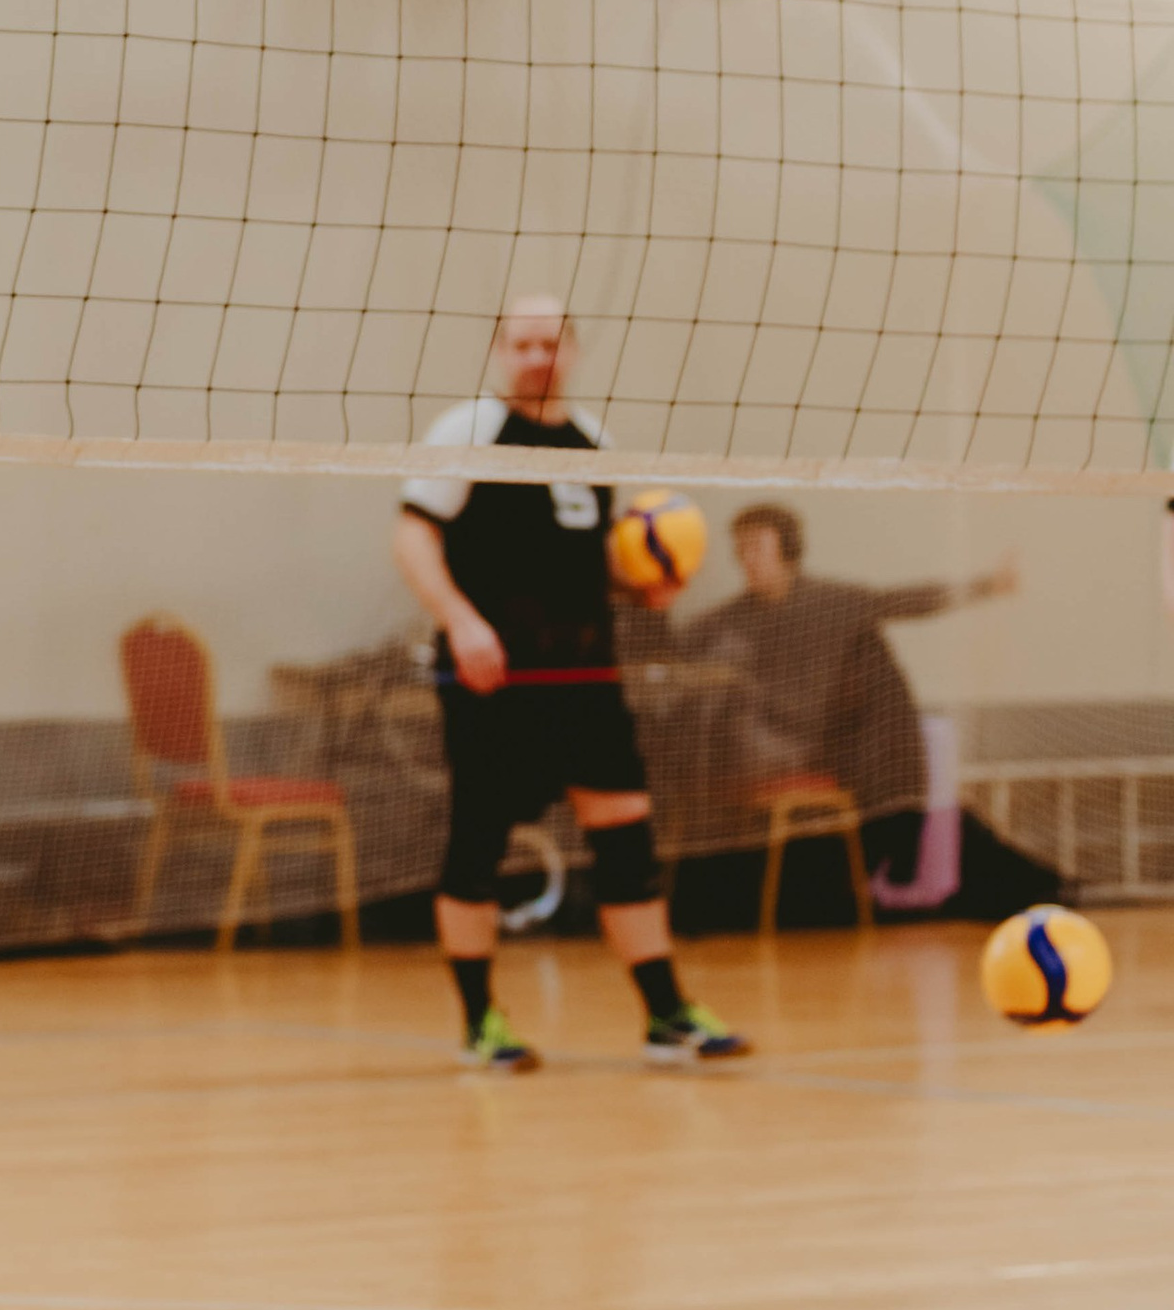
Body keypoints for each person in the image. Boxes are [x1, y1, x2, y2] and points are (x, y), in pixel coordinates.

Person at [392, 300, 748, 1073]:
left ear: (574, 350)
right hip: (494, 677)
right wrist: (460, 621)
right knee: (478, 845)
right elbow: (414, 534)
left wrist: (642, 582)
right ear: (500, 351)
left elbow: (584, 562)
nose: (536, 356)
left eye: (549, 343)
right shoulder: (470, 431)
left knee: (627, 843)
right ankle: (481, 1022)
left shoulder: (593, 441)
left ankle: (665, 1015)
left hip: (586, 678)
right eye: (521, 343)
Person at [678, 506, 1048, 918]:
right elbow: (684, 652)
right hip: (768, 745)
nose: (747, 559)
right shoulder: (730, 621)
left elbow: (904, 601)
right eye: (741, 549)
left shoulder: (832, 603)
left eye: (757, 547)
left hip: (827, 753)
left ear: (787, 549)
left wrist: (988, 585)